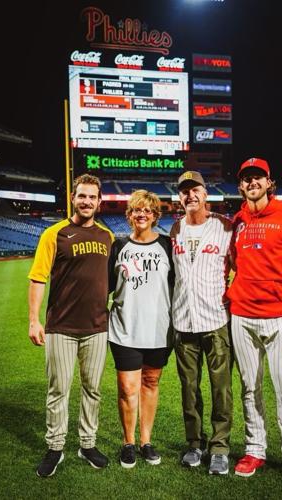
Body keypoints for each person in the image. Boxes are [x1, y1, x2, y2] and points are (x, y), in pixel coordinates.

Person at [227, 158, 282, 488]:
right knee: (250, 387)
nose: (252, 183)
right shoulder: (237, 220)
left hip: (281, 317)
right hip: (242, 316)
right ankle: (255, 449)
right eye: (247, 179)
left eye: (257, 178)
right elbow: (236, 261)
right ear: (240, 186)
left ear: (269, 182)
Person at [28, 174, 114, 477]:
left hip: (97, 327)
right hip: (60, 326)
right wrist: (34, 319)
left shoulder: (107, 237)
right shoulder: (55, 234)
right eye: (82, 196)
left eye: (92, 197)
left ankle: (87, 444)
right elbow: (38, 277)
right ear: (73, 198)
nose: (87, 201)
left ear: (99, 201)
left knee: (93, 390)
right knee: (58, 389)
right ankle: (55, 447)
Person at [170, 171, 233, 475]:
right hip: (183, 322)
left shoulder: (224, 227)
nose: (190, 195)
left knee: (221, 388)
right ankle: (195, 444)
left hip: (216, 320)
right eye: (184, 191)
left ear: (206, 194)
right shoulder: (175, 228)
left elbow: (241, 266)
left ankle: (220, 447)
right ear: (180, 197)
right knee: (189, 389)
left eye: (195, 190)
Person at [108, 190, 174, 469]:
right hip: (125, 328)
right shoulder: (119, 245)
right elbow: (105, 287)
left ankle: (146, 441)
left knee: (150, 383)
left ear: (155, 215)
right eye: (137, 210)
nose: (142, 214)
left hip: (160, 329)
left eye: (147, 210)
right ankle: (128, 442)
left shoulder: (168, 245)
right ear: (130, 215)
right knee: (127, 387)